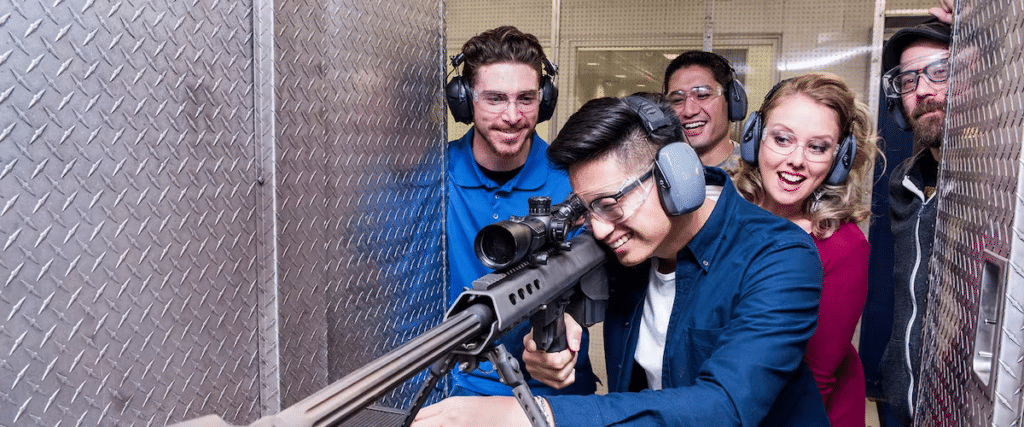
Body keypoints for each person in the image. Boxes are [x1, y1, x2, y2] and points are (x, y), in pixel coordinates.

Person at [412, 93, 829, 426]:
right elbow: (547, 301)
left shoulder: (780, 257)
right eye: (586, 209)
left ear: (676, 177)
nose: (598, 228)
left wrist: (534, 415)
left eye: (610, 204)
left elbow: (725, 406)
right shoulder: (624, 245)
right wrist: (553, 330)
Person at [442, 25, 597, 397]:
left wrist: (571, 333)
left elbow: (593, 280)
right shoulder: (434, 175)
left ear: (543, 101)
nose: (512, 116)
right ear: (465, 101)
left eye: (526, 99)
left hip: (549, 389)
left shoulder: (575, 181)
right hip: (453, 385)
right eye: (495, 98)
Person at [732, 73, 880, 427]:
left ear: (839, 158)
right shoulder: (727, 217)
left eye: (817, 147)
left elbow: (817, 378)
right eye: (782, 139)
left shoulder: (844, 247)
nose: (796, 159)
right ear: (754, 139)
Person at [877, 13, 952, 427]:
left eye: (940, 71)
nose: (923, 90)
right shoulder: (904, 182)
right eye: (908, 80)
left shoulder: (1005, 184)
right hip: (898, 403)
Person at [663, 50, 748, 175]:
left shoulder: (758, 176)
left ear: (731, 101)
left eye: (702, 95)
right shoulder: (656, 174)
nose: (689, 111)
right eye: (677, 100)